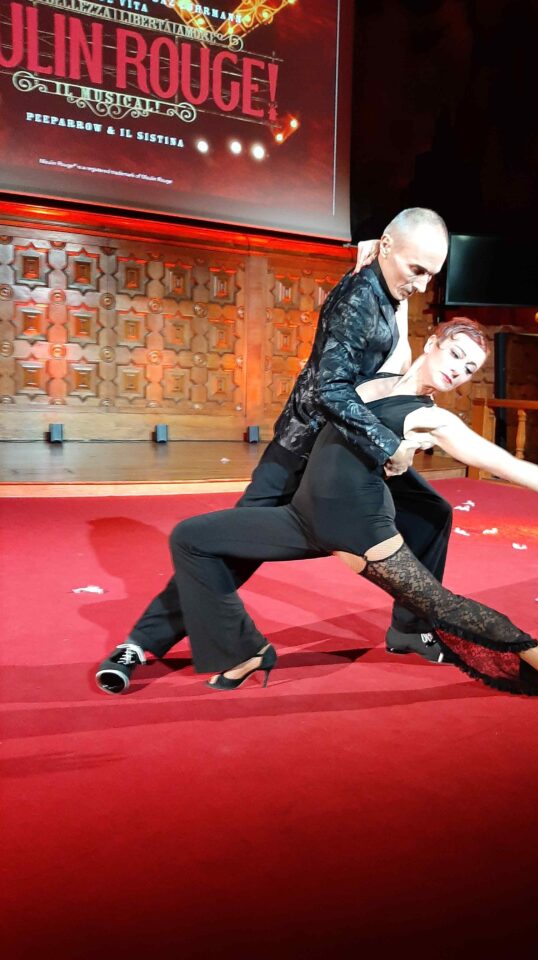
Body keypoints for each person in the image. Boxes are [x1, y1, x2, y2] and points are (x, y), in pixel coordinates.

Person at [108, 318, 538, 699]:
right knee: (192, 537)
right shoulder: (377, 375)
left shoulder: (433, 420)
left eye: (470, 368)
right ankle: (245, 650)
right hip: (300, 518)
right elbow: (384, 298)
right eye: (456, 355)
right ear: (431, 344)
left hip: (361, 533)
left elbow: (506, 463)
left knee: (441, 606)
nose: (459, 371)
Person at [96, 208, 453, 694]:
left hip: (344, 449)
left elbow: (395, 353)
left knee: (431, 512)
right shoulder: (358, 300)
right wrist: (390, 444)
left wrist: (386, 265)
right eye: (417, 269)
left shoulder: (386, 287)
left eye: (432, 274)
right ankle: (139, 644)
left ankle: (410, 629)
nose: (423, 283)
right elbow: (329, 390)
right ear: (389, 248)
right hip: (303, 451)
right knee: (231, 548)